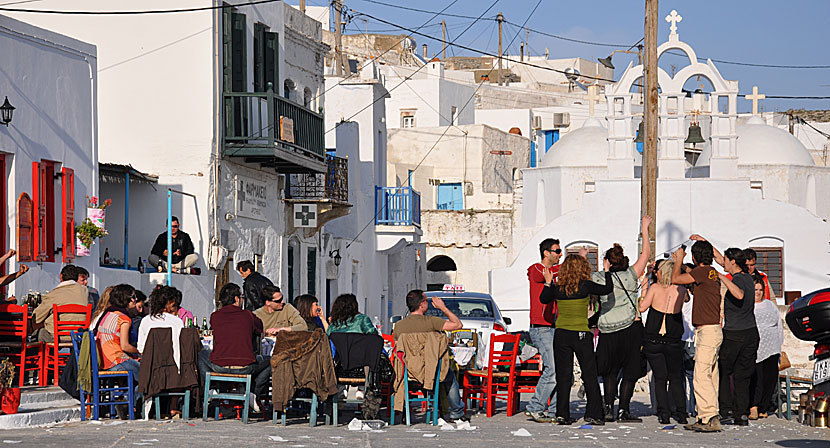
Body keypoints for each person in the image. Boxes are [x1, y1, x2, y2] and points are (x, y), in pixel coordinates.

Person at [540, 254, 613, 426]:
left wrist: (548, 281)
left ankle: (562, 414)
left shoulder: (558, 287)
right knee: (589, 374)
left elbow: (543, 299)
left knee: (563, 376)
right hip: (581, 333)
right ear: (583, 269)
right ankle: (594, 414)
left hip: (561, 334)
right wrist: (607, 270)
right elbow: (607, 289)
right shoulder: (586, 285)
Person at [592, 215, 652, 423]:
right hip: (632, 329)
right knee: (630, 371)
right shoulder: (631, 274)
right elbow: (646, 253)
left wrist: (583, 257)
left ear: (607, 261)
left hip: (608, 330)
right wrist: (644, 228)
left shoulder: (599, 277)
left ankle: (608, 408)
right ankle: (623, 410)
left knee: (610, 371)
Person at [671, 241, 723, 433]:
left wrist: (678, 260)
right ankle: (705, 416)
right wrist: (685, 265)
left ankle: (710, 416)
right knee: (710, 375)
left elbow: (676, 278)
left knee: (700, 375)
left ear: (695, 257)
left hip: (707, 331)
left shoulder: (701, 272)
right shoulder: (711, 272)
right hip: (713, 330)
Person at [393, 289, 466, 423]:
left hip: (407, 373)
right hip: (430, 373)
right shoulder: (432, 322)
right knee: (449, 375)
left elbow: (399, 350)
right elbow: (458, 324)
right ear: (421, 304)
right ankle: (456, 411)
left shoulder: (399, 326)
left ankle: (404, 410)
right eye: (426, 301)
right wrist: (443, 307)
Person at [198, 283, 271, 401]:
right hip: (245, 366)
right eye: (242, 297)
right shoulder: (248, 315)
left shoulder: (215, 316)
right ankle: (253, 392)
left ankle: (211, 388)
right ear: (237, 299)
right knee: (270, 361)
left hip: (219, 365)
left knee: (202, 354)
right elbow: (259, 327)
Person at [640, 259, 689, 424]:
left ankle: (664, 414)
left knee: (660, 378)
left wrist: (643, 290)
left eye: (659, 271)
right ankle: (681, 413)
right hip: (673, 339)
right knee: (676, 377)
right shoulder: (681, 290)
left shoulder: (654, 288)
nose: (657, 273)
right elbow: (687, 300)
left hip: (654, 338)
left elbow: (642, 308)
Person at [714, 248, 759, 426]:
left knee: (725, 372)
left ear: (733, 262)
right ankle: (741, 414)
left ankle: (727, 411)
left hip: (735, 334)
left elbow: (739, 294)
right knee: (742, 376)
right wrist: (705, 241)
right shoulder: (748, 276)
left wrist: (722, 277)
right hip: (750, 333)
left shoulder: (739, 279)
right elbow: (719, 259)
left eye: (726, 260)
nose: (722, 262)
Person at [524, 237, 562, 422]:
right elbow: (543, 275)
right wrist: (569, 264)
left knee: (559, 369)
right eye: (557, 251)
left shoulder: (553, 273)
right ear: (546, 252)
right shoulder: (535, 269)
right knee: (552, 369)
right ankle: (535, 406)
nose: (559, 254)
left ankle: (554, 410)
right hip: (541, 328)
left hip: (553, 327)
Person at [94, 284, 141, 414]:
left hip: (103, 360)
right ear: (126, 299)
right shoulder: (124, 318)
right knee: (147, 374)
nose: (135, 300)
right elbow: (125, 346)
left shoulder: (108, 314)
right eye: (133, 297)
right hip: (115, 360)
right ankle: (127, 402)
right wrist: (140, 351)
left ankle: (123, 399)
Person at [749, 273, 783, 419]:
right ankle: (753, 406)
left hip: (772, 346)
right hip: (755, 347)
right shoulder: (748, 305)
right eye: (755, 290)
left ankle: (764, 407)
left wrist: (780, 344)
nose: (758, 293)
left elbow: (779, 324)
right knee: (756, 379)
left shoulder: (770, 305)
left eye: (760, 290)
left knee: (770, 379)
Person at [32, 265, 89, 342]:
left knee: (39, 333)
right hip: (78, 335)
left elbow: (37, 318)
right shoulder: (84, 291)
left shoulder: (53, 294)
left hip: (58, 337)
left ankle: (49, 354)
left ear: (61, 277)